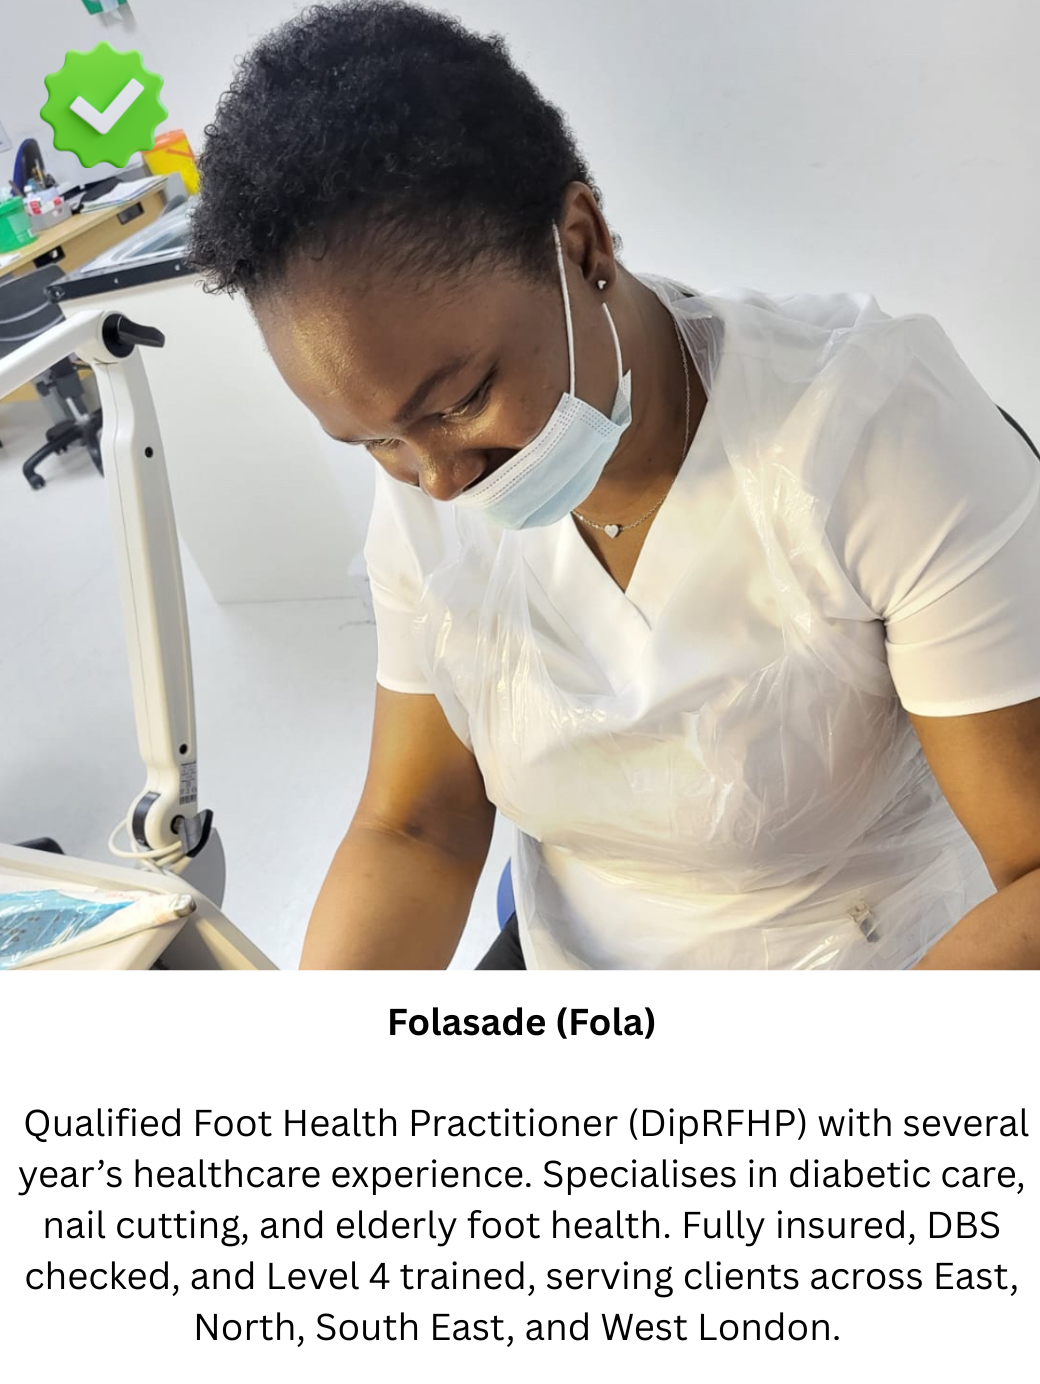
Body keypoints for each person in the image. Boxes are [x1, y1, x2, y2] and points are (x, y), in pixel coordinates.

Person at [189, 1, 1040, 970]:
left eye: (462, 400)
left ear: (582, 242)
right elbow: (418, 825)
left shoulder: (871, 431)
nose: (439, 479)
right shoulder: (430, 482)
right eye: (374, 439)